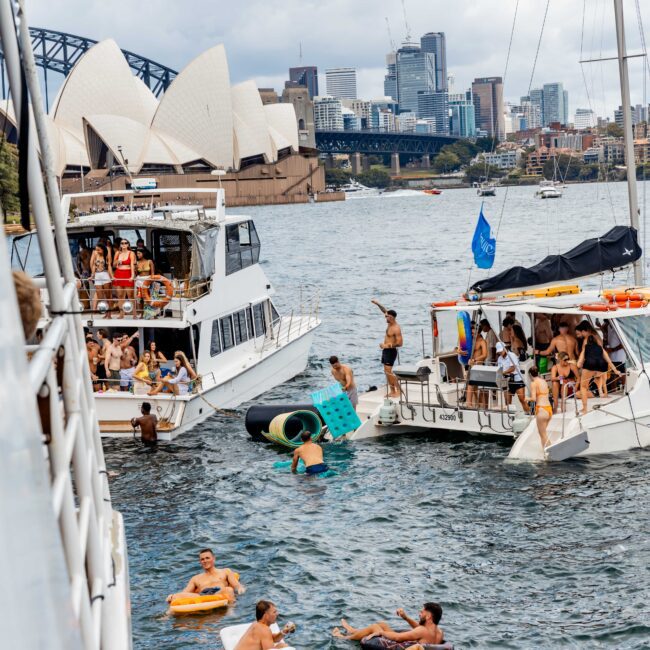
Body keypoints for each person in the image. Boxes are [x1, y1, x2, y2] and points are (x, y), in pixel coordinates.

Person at [331, 603, 445, 646]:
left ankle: (344, 637)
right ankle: (353, 630)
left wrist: (380, 632)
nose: (419, 614)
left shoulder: (422, 631)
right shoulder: (439, 632)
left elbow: (397, 637)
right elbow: (420, 629)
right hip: (410, 644)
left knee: (376, 627)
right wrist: (405, 618)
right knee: (383, 624)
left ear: (429, 616)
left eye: (422, 612)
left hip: (400, 645)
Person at [166, 548, 245, 604]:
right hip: (202, 597)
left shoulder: (225, 571)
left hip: (218, 594)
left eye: (207, 558)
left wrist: (241, 589)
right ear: (200, 561)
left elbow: (237, 586)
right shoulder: (196, 578)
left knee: (229, 590)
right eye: (202, 559)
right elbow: (185, 592)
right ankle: (167, 615)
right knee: (175, 596)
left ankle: (231, 611)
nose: (205, 561)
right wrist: (172, 596)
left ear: (214, 559)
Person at [577, 330, 622, 414]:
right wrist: (616, 371)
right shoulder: (600, 348)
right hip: (601, 367)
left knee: (583, 387)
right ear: (596, 341)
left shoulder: (585, 348)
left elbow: (579, 363)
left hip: (589, 365)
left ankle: (585, 409)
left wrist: (580, 365)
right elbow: (609, 361)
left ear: (587, 342)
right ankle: (602, 392)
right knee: (599, 378)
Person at [371, 299, 403, 398]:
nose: (385, 317)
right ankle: (392, 391)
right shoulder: (389, 323)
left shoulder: (396, 328)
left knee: (389, 372)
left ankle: (398, 390)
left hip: (391, 351)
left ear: (392, 318)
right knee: (386, 372)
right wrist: (377, 303)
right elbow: (384, 310)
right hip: (386, 351)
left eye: (387, 316)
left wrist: (387, 345)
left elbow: (400, 343)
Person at [526, 367, 552, 449]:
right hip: (549, 409)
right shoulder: (543, 381)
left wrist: (527, 398)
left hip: (541, 410)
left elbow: (533, 399)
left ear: (530, 375)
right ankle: (545, 451)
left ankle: (548, 451)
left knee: (543, 435)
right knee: (543, 434)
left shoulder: (533, 383)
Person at [496, 342, 527, 410]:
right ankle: (510, 417)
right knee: (507, 402)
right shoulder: (499, 359)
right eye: (499, 351)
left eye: (501, 350)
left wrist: (503, 372)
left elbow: (513, 368)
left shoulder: (512, 355)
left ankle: (529, 414)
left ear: (505, 348)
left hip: (516, 379)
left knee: (522, 399)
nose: (500, 352)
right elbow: (498, 369)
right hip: (506, 380)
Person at [465, 323, 488, 408]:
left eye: (473, 333)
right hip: (470, 366)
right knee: (473, 388)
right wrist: (459, 351)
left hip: (478, 365)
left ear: (478, 332)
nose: (472, 335)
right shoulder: (470, 341)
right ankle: (475, 404)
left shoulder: (482, 341)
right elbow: (461, 347)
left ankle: (469, 404)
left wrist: (475, 360)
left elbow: (485, 355)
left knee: (471, 386)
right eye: (471, 333)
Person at [112, 238, 135, 318]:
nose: (124, 244)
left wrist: (132, 276)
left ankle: (134, 313)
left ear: (128, 244)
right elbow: (113, 265)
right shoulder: (117, 253)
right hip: (119, 273)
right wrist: (117, 261)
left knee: (130, 295)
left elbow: (132, 265)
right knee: (120, 295)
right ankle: (121, 314)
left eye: (125, 243)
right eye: (122, 243)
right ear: (120, 245)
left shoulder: (131, 253)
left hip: (127, 273)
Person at [601, 319, 626, 392]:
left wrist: (613, 349)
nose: (605, 323)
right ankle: (613, 391)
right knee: (612, 375)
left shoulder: (619, 327)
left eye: (606, 321)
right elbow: (606, 338)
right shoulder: (608, 327)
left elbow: (623, 343)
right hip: (611, 356)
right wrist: (602, 329)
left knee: (622, 374)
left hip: (620, 356)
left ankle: (625, 390)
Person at [90, 243, 113, 314]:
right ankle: (105, 312)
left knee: (108, 295)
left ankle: (109, 314)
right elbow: (93, 265)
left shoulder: (106, 255)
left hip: (105, 274)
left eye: (98, 250)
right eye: (96, 250)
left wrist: (112, 276)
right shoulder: (95, 254)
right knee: (100, 296)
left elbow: (109, 266)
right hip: (97, 275)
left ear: (103, 250)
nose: (97, 251)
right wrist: (92, 275)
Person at [135, 248, 155, 316]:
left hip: (148, 280)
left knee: (149, 297)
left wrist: (151, 281)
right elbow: (136, 273)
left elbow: (152, 273)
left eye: (139, 253)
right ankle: (141, 313)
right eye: (137, 253)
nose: (137, 255)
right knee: (140, 298)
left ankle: (151, 314)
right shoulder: (137, 263)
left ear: (143, 253)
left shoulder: (149, 261)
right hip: (139, 281)